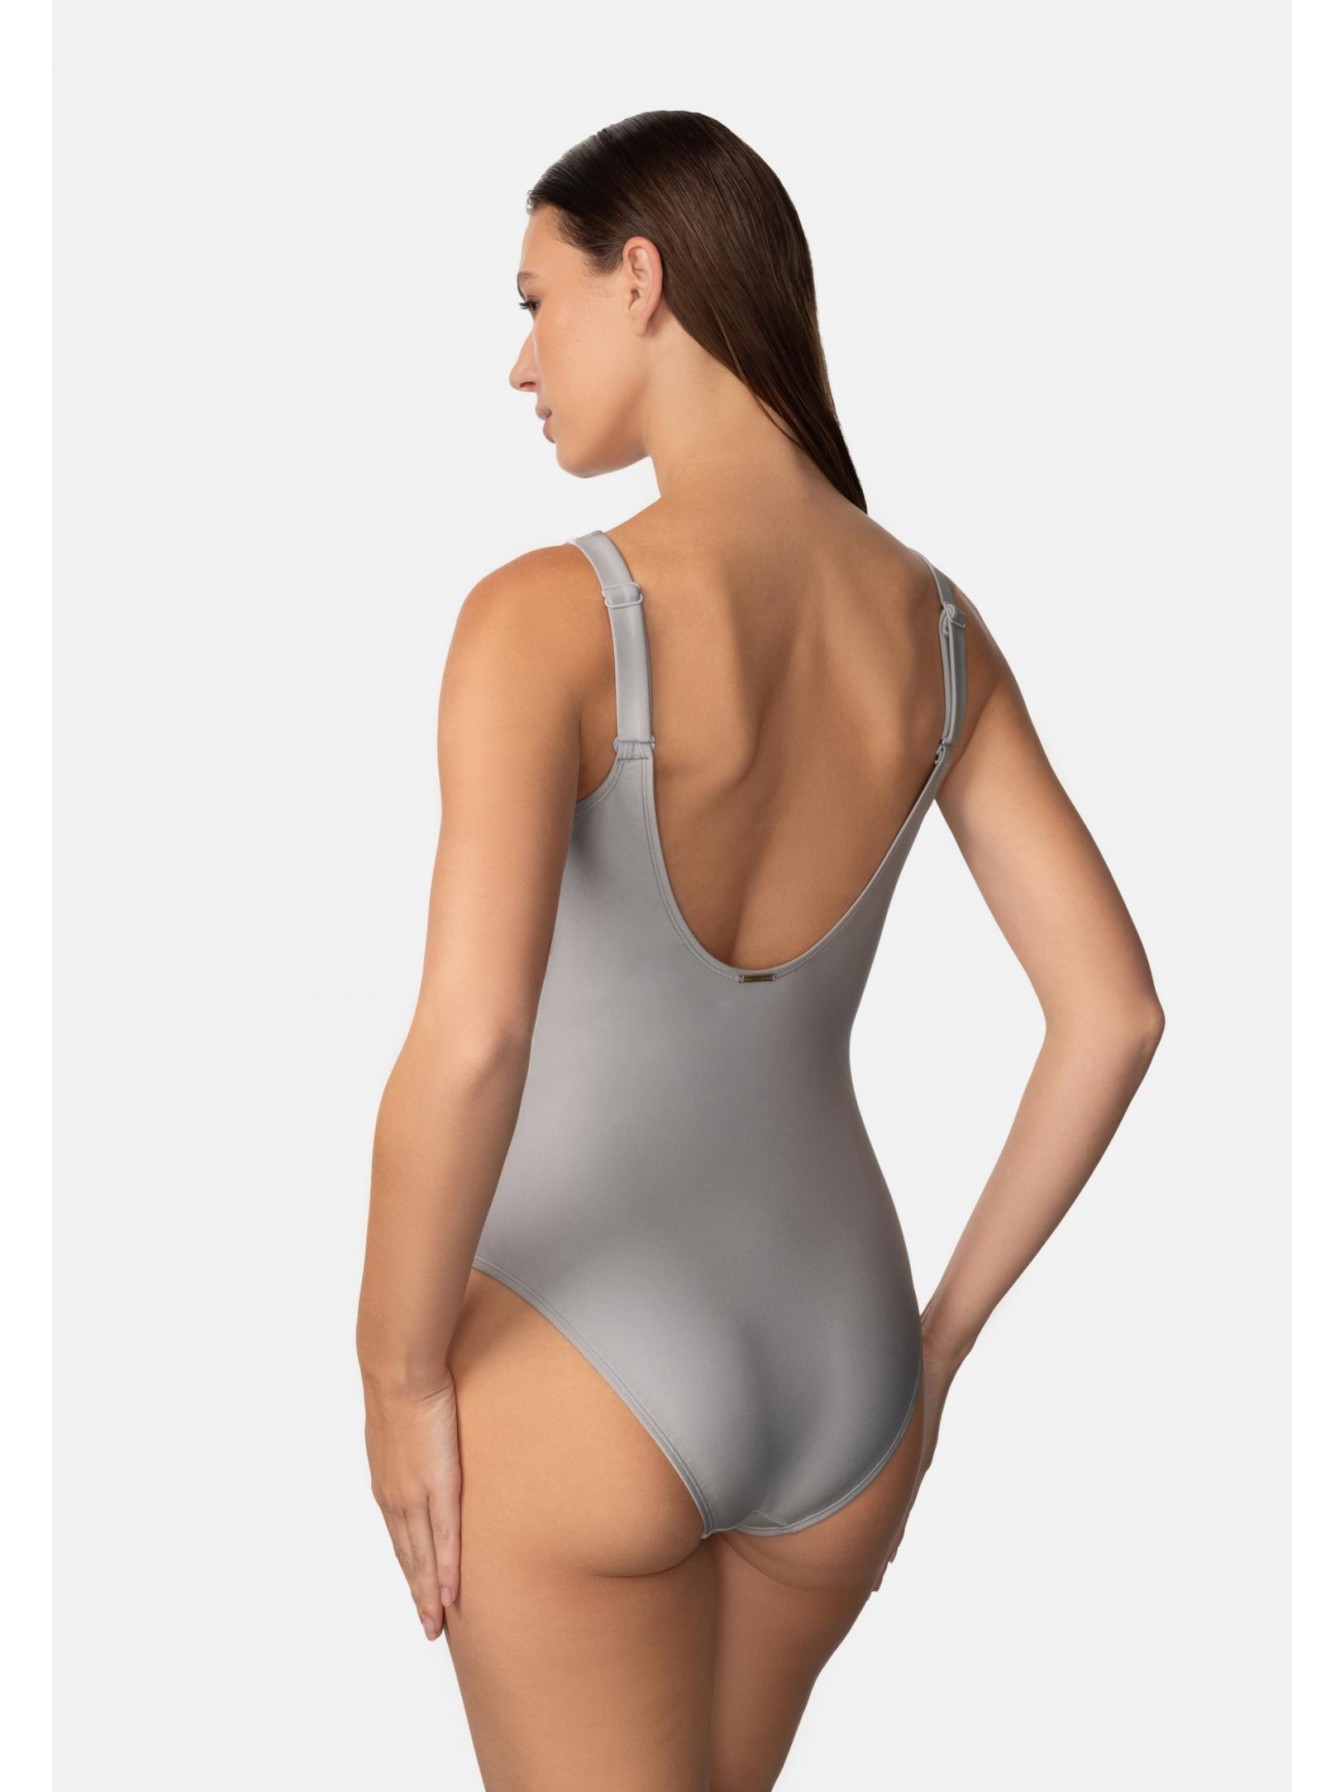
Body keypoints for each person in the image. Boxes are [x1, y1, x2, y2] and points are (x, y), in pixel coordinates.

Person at [355, 110, 1165, 1791]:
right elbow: (1114, 1015)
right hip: (846, 1369)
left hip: (585, 1365)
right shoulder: (939, 632)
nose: (521, 366)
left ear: (640, 280)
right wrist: (935, 1349)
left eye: (535, 302)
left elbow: (475, 1043)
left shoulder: (543, 618)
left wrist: (396, 1370)